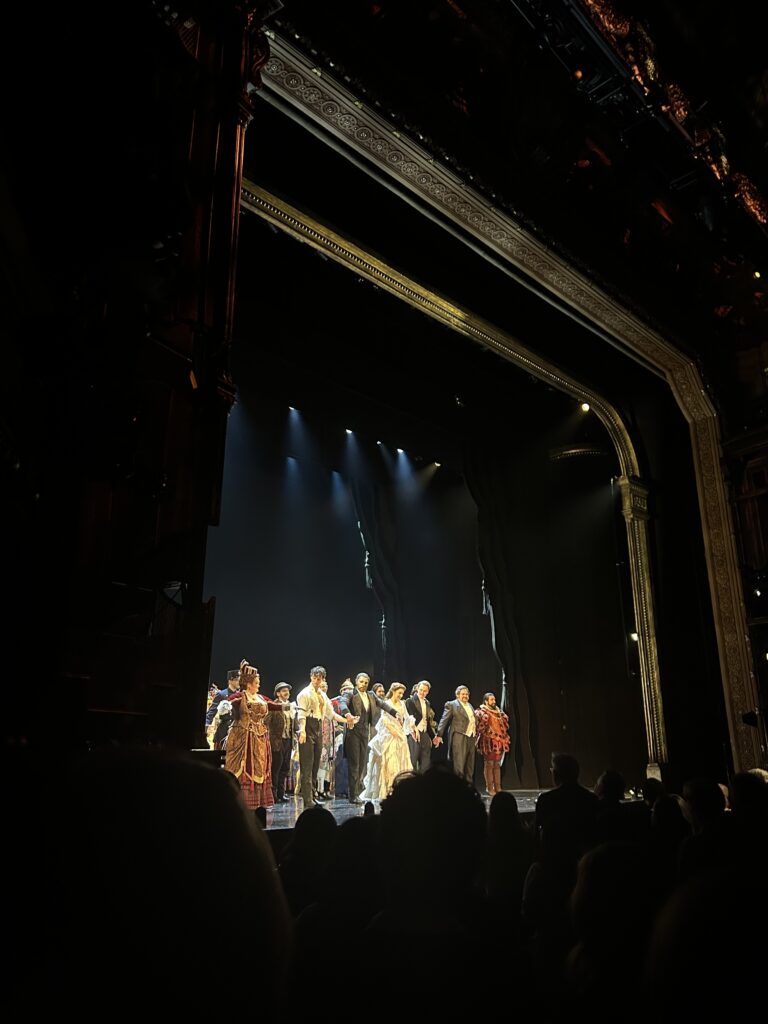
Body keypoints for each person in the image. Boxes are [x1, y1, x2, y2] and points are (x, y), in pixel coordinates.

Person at [225, 661, 288, 811]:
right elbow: (230, 703)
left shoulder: (260, 697)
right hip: (244, 736)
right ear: (249, 684)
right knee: (245, 766)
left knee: (260, 767)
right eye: (256, 683)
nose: (259, 685)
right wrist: (225, 707)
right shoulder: (241, 696)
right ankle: (241, 801)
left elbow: (272, 705)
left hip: (260, 737)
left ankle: (258, 802)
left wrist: (287, 706)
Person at [295, 666, 355, 808]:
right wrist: (302, 731)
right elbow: (301, 715)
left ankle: (313, 795)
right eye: (315, 678)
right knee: (307, 766)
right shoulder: (304, 693)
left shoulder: (322, 695)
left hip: (318, 728)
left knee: (315, 765)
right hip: (308, 727)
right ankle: (307, 799)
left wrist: (347, 720)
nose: (317, 680)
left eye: (320, 678)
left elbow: (331, 714)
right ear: (311, 677)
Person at [342, 671, 397, 804]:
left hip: (365, 732)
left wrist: (395, 713)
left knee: (362, 764)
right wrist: (347, 714)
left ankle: (356, 792)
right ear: (356, 682)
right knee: (354, 764)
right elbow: (342, 703)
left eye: (366, 682)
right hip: (353, 732)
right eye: (361, 682)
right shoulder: (350, 693)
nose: (363, 684)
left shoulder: (371, 695)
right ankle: (353, 795)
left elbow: (382, 704)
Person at [361, 681, 416, 801]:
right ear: (393, 691)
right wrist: (393, 731)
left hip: (400, 735)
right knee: (391, 762)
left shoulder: (402, 703)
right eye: (399, 693)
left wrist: (413, 728)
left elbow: (407, 717)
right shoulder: (387, 703)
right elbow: (384, 719)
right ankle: (389, 789)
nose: (401, 695)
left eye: (402, 693)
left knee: (402, 761)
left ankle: (401, 789)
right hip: (389, 735)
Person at [435, 685, 477, 785]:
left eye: (467, 694)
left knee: (470, 764)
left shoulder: (470, 705)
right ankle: (459, 787)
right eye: (463, 694)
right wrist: (439, 734)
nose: (465, 696)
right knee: (459, 763)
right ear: (457, 695)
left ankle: (469, 786)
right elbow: (444, 720)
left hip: (471, 736)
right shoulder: (452, 705)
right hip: (459, 736)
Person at [475, 692, 510, 796]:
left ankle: (498, 787)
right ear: (486, 701)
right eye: (491, 700)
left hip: (499, 741)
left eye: (494, 699)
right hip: (489, 741)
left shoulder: (499, 712)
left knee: (497, 765)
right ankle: (489, 787)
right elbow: (480, 727)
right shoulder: (482, 711)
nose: (494, 701)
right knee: (489, 764)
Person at [266, 682, 295, 803]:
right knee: (276, 768)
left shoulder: (290, 706)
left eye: (287, 691)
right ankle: (273, 795)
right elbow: (266, 722)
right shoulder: (274, 706)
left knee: (285, 767)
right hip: (277, 741)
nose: (286, 693)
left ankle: (281, 793)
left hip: (288, 740)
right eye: (283, 691)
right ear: (278, 693)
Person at [405, 679, 437, 774]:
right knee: (413, 759)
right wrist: (413, 730)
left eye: (425, 691)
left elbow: (427, 721)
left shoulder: (427, 703)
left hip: (424, 732)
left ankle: (423, 779)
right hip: (414, 732)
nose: (422, 692)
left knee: (426, 761)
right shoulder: (410, 701)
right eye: (421, 690)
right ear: (417, 689)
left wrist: (433, 737)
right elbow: (408, 718)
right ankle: (411, 779)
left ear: (428, 692)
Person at [205, 667, 241, 749]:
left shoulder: (240, 695)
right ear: (230, 680)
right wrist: (206, 726)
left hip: (237, 730)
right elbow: (211, 712)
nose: (239, 682)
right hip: (224, 730)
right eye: (237, 680)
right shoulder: (222, 694)